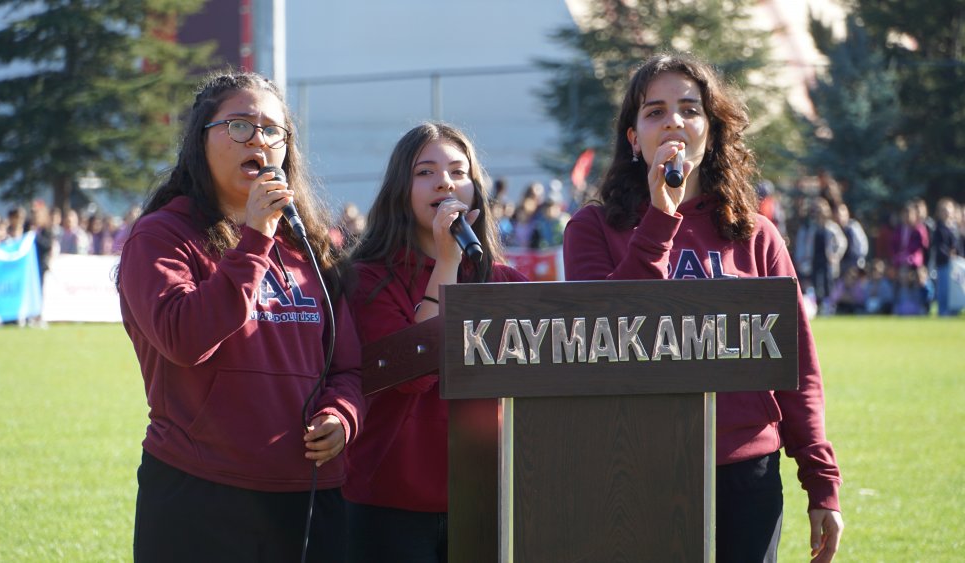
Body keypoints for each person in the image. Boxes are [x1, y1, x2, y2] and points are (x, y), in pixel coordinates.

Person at [562, 54, 843, 562]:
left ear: (710, 132)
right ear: (633, 138)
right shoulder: (592, 228)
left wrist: (821, 481)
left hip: (746, 469)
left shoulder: (756, 234)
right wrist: (659, 217)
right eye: (655, 111)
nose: (674, 121)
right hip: (635, 467)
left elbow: (798, 366)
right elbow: (606, 333)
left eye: (690, 109)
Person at [116, 70, 363, 562]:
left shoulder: (310, 247)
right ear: (200, 140)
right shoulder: (161, 236)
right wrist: (255, 238)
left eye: (273, 130)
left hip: (307, 494)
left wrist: (342, 416)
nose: (259, 140)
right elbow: (184, 338)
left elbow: (347, 366)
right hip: (199, 490)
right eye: (240, 125)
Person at [342, 122, 528, 563]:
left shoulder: (505, 282)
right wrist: (447, 264)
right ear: (400, 190)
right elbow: (413, 375)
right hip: (389, 503)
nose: (445, 182)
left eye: (458, 171)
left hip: (484, 498)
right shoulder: (368, 279)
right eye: (425, 172)